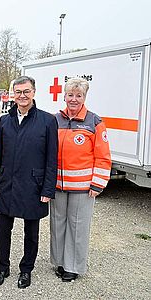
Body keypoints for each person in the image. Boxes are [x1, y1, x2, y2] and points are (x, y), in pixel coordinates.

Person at [0, 76, 58, 289]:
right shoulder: (5, 120)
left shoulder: (47, 121)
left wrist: (48, 188)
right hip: (7, 183)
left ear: (34, 92)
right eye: (18, 92)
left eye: (26, 91)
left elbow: (52, 158)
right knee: (3, 229)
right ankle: (3, 267)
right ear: (13, 94)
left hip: (33, 186)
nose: (22, 95)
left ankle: (26, 270)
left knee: (31, 232)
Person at [50, 78, 111, 282]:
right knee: (57, 223)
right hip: (57, 185)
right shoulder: (55, 120)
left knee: (78, 225)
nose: (74, 99)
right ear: (64, 96)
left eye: (79, 95)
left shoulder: (94, 122)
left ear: (84, 97)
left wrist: (98, 183)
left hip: (83, 187)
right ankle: (59, 261)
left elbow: (103, 156)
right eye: (70, 95)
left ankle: (73, 266)